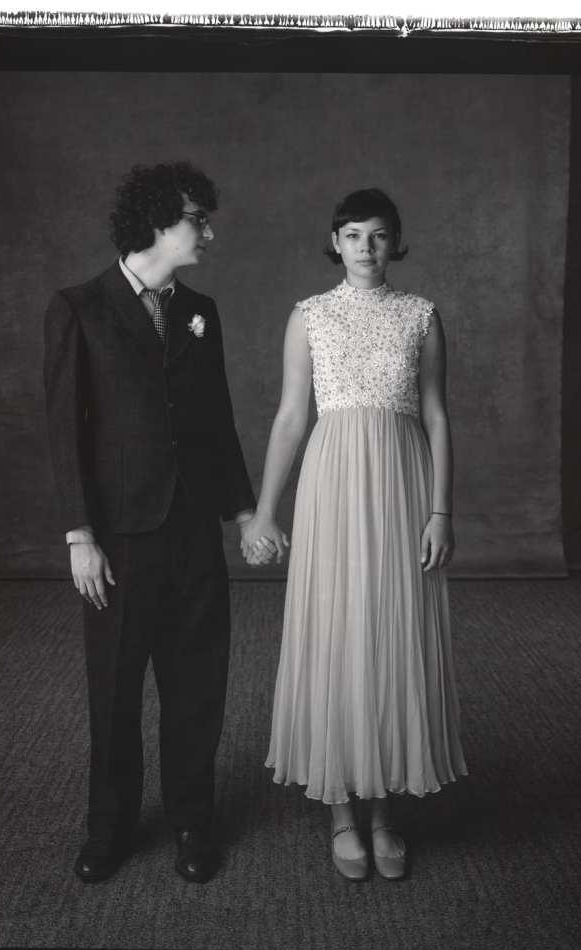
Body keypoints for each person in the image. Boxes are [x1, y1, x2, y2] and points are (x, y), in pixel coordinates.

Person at [241, 188, 467, 881]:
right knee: (339, 631)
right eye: (351, 235)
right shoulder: (309, 317)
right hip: (333, 484)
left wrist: (440, 510)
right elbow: (289, 418)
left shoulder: (420, 316)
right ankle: (341, 809)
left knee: (391, 630)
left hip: (401, 487)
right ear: (334, 243)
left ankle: (384, 812)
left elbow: (435, 417)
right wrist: (265, 510)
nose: (365, 247)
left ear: (394, 242)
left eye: (377, 235)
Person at [44, 161, 256, 884]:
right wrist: (80, 535)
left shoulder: (204, 311)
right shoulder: (79, 307)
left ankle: (193, 820)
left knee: (197, 684)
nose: (210, 231)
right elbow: (63, 432)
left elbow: (217, 422)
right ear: (158, 222)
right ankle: (110, 827)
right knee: (115, 688)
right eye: (199, 218)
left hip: (195, 532)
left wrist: (246, 509)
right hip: (120, 539)